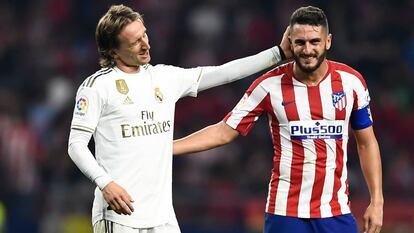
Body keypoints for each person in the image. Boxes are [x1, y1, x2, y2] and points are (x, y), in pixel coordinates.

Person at [67, 4, 291, 233]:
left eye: (144, 34)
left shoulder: (165, 77)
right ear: (113, 51)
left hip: (163, 218)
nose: (146, 44)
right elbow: (76, 145)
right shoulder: (97, 87)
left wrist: (278, 53)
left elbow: (224, 72)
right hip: (120, 217)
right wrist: (105, 183)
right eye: (135, 41)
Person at [173, 6, 383, 233]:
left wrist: (377, 201)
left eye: (315, 41)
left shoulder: (351, 82)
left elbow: (367, 142)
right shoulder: (268, 85)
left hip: (335, 212)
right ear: (289, 42)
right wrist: (165, 148)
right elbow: (224, 131)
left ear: (328, 41)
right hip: (285, 213)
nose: (308, 49)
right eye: (300, 42)